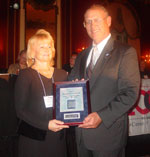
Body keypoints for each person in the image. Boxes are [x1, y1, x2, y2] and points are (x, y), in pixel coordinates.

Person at [68, 4, 140, 157]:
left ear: (108, 21)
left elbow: (130, 93)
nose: (92, 25)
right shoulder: (82, 56)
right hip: (81, 135)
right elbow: (71, 84)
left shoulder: (125, 52)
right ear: (84, 25)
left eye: (97, 20)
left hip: (108, 135)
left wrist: (102, 116)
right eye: (88, 21)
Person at [15, 29, 69, 157]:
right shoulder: (25, 75)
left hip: (58, 136)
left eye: (49, 46)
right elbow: (20, 110)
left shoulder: (62, 74)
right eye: (42, 46)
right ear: (32, 51)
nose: (47, 49)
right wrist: (46, 124)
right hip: (34, 138)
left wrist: (79, 87)